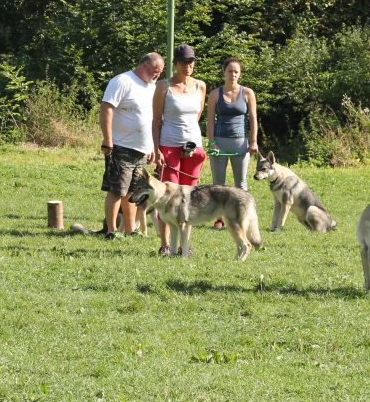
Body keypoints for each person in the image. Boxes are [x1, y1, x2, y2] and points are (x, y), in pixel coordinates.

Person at [99, 53, 164, 240]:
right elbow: (106, 108)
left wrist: (152, 146)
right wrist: (107, 139)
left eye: (159, 73)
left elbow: (150, 118)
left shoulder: (151, 86)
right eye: (155, 72)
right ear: (144, 65)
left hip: (142, 148)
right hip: (121, 146)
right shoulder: (122, 81)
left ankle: (130, 230)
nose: (156, 76)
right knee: (117, 190)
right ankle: (111, 231)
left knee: (133, 192)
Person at [152, 45, 207, 254]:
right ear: (175, 63)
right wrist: (156, 150)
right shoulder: (163, 87)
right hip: (168, 146)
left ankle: (185, 245)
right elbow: (156, 121)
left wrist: (191, 142)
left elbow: (197, 116)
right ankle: (166, 244)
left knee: (189, 200)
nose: (188, 66)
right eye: (184, 62)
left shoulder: (200, 86)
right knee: (168, 197)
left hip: (193, 149)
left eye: (191, 61)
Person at [205, 56, 259, 202]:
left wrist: (253, 141)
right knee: (218, 184)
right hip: (219, 142)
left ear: (240, 73)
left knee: (241, 184)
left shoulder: (247, 93)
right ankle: (219, 219)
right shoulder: (215, 94)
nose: (233, 74)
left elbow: (253, 119)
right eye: (230, 71)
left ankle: (243, 217)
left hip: (240, 143)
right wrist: (212, 143)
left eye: (236, 72)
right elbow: (210, 121)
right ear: (224, 72)